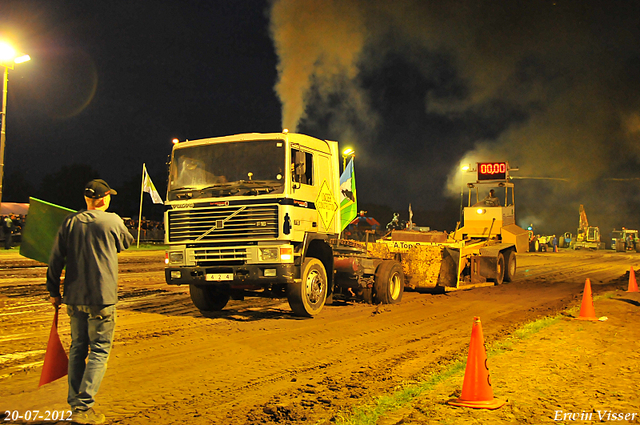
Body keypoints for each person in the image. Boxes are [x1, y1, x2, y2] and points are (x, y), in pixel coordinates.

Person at [46, 179, 134, 425]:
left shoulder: (70, 222)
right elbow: (126, 243)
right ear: (104, 198)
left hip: (74, 297)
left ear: (86, 200)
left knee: (77, 349)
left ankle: (75, 404)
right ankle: (84, 408)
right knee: (99, 351)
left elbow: (55, 260)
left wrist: (53, 290)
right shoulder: (113, 220)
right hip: (102, 298)